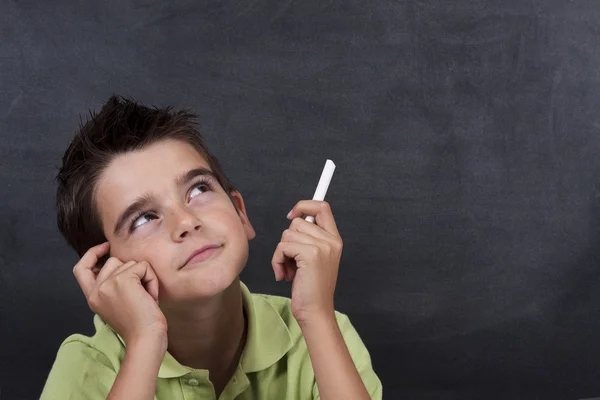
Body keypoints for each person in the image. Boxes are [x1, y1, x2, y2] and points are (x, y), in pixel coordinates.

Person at [40, 95, 382, 399]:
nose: (186, 221)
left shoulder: (322, 330)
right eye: (144, 219)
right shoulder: (85, 366)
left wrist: (315, 316)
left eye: (198, 190)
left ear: (241, 213)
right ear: (105, 273)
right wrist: (144, 343)